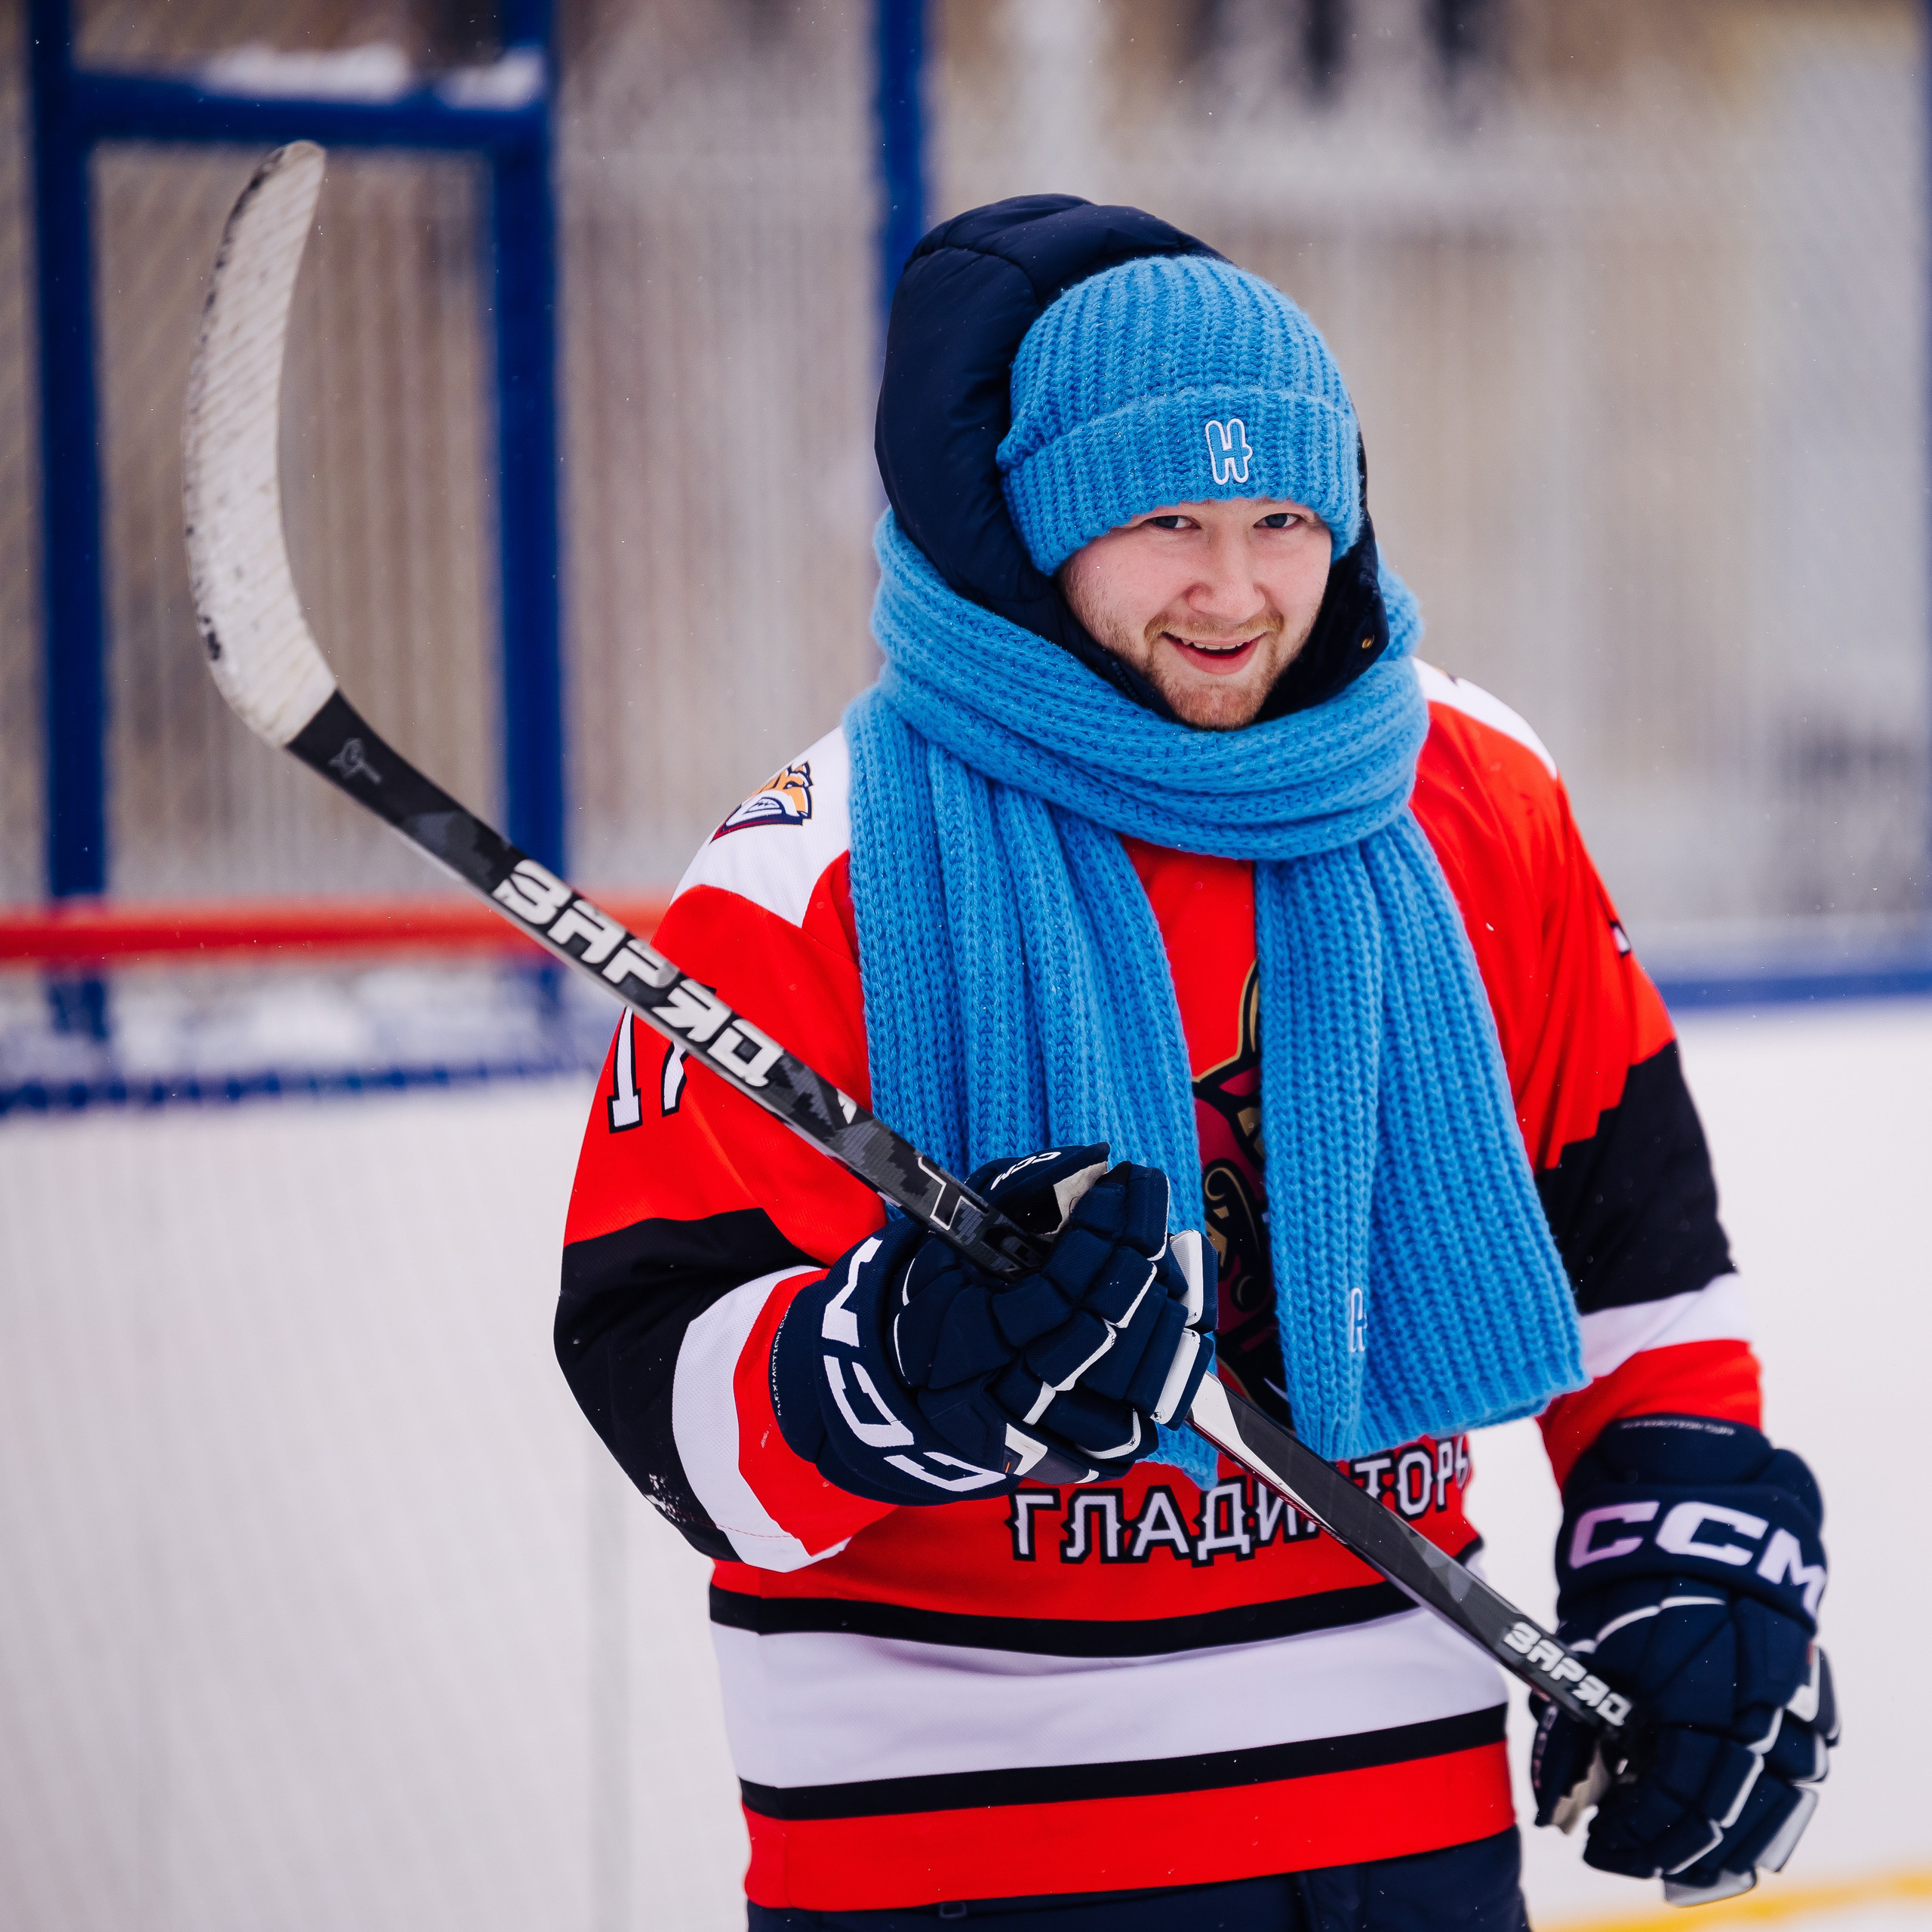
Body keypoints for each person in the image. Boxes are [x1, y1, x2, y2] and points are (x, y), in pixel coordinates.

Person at [555, 200, 1837, 1930]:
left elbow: (1635, 1265)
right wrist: (892, 1361)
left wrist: (1681, 1546)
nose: (1232, 590)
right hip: (960, 1849)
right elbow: (662, 1389)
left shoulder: (1471, 798)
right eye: (1165, 520)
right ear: (1038, 526)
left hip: (1408, 1821)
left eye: (1280, 518)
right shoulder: (817, 871)